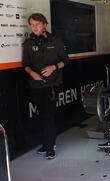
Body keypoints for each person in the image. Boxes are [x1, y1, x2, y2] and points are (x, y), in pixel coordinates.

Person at [23, 13, 69, 159]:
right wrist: (32, 73)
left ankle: (50, 147)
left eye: (37, 24)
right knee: (42, 116)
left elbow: (65, 61)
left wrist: (53, 67)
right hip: (35, 85)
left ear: (45, 25)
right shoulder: (29, 42)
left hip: (52, 85)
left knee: (48, 117)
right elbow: (25, 65)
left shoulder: (56, 40)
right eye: (32, 25)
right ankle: (46, 144)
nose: (34, 27)